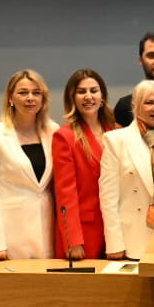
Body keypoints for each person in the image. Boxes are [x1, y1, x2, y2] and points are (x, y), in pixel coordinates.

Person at [101, 80, 154, 259]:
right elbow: (108, 197)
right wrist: (114, 244)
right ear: (135, 106)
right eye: (149, 102)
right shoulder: (115, 140)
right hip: (132, 239)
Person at [0, 69, 58, 260]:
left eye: (36, 93)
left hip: (48, 227)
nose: (30, 98)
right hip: (12, 231)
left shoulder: (53, 131)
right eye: (23, 93)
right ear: (10, 98)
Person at [52, 69, 119, 260]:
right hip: (85, 230)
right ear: (72, 98)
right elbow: (66, 193)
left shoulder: (118, 132)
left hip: (116, 228)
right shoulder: (65, 137)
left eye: (94, 91)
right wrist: (72, 240)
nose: (88, 96)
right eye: (81, 92)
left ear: (102, 96)